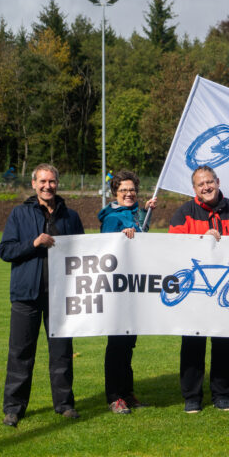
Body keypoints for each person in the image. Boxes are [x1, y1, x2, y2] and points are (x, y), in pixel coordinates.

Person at [0, 163, 84, 427]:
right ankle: (14, 408)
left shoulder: (70, 216)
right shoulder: (19, 214)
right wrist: (34, 243)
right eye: (43, 182)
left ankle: (65, 404)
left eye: (52, 181)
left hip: (61, 296)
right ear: (34, 184)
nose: (48, 186)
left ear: (58, 184)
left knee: (61, 353)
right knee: (21, 353)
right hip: (26, 295)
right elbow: (5, 251)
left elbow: (83, 252)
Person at [168, 165, 229, 413]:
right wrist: (200, 241)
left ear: (217, 181)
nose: (206, 187)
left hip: (228, 289)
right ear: (194, 188)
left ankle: (221, 394)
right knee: (193, 345)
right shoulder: (184, 213)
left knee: (225, 344)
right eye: (200, 184)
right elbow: (172, 248)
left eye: (209, 182)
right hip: (195, 292)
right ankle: (192, 396)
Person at [98, 170, 157, 414]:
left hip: (134, 288)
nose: (129, 193)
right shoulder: (113, 218)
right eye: (123, 190)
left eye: (132, 190)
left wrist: (146, 212)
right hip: (117, 290)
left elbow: (141, 236)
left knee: (128, 344)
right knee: (117, 345)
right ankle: (115, 396)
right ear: (115, 193)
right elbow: (106, 248)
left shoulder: (134, 214)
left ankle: (126, 391)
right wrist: (121, 238)